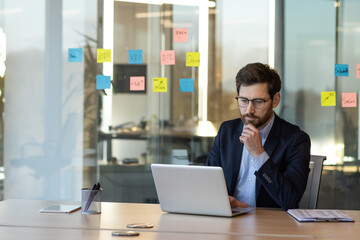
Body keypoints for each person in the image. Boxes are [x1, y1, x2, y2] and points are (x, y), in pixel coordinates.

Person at [206, 62, 311, 210]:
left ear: (275, 100)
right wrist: (223, 201)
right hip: (229, 221)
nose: (249, 110)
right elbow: (209, 182)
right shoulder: (227, 131)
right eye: (243, 100)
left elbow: (290, 200)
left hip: (272, 226)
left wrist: (259, 154)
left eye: (258, 102)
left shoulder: (296, 140)